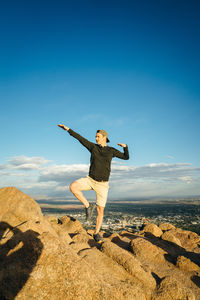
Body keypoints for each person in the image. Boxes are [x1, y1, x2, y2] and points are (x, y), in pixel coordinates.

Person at [58, 124, 129, 242]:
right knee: (73, 186)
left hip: (103, 184)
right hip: (90, 180)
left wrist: (125, 147)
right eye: (96, 136)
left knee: (100, 210)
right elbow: (80, 138)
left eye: (98, 136)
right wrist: (68, 130)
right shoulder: (93, 147)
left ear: (104, 137)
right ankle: (87, 205)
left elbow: (126, 157)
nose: (96, 138)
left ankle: (96, 233)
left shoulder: (111, 150)